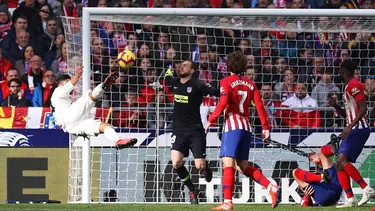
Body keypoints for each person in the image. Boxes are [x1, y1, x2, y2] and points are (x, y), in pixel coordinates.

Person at [205, 51, 281, 210]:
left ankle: (227, 203)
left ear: (228, 66)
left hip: (232, 126)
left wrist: (211, 119)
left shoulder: (226, 81)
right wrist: (266, 127)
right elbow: (260, 106)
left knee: (227, 162)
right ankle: (271, 187)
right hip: (246, 127)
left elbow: (224, 102)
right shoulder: (251, 84)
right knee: (243, 166)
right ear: (244, 67)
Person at [164, 60, 220, 204]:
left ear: (193, 71)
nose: (182, 67)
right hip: (178, 130)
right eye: (181, 65)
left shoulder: (197, 84)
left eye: (186, 66)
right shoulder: (174, 81)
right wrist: (167, 71)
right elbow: (166, 78)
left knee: (199, 166)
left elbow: (216, 92)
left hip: (195, 130)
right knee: (176, 162)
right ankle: (192, 190)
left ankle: (206, 168)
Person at [51, 66, 137, 149]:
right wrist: (77, 75)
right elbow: (67, 87)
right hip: (68, 116)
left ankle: (117, 141)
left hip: (71, 127)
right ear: (61, 83)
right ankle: (103, 86)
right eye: (67, 81)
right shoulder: (58, 91)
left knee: (105, 126)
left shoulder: (59, 101)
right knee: (90, 96)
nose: (72, 86)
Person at [329, 60, 375, 208]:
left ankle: (366, 189)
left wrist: (350, 126)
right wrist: (335, 105)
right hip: (355, 128)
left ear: (343, 70)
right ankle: (350, 198)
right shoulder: (349, 86)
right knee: (339, 164)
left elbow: (363, 108)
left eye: (339, 69)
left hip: (359, 129)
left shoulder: (354, 85)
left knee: (341, 160)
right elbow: (348, 114)